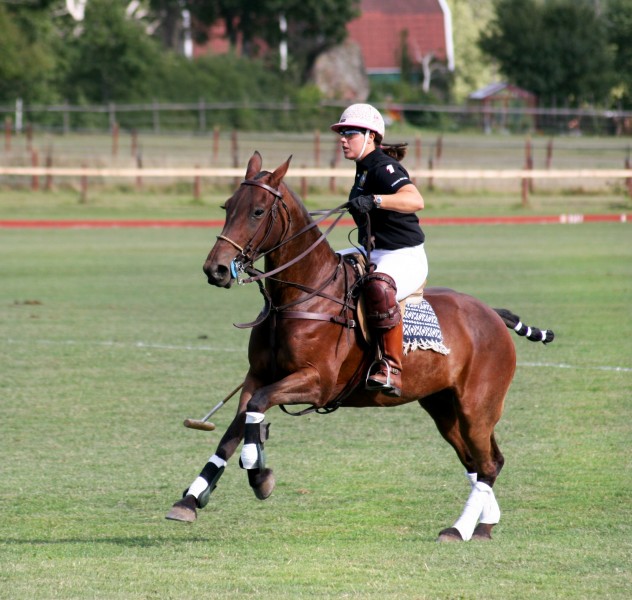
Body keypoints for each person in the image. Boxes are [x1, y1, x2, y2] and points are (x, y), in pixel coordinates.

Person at [331, 103, 428, 397]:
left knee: (378, 288)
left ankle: (391, 368)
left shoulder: (384, 166)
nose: (342, 139)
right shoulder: (362, 169)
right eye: (341, 133)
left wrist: (376, 200)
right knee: (327, 270)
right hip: (370, 251)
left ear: (370, 136)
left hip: (404, 256)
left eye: (349, 133)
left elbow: (415, 200)